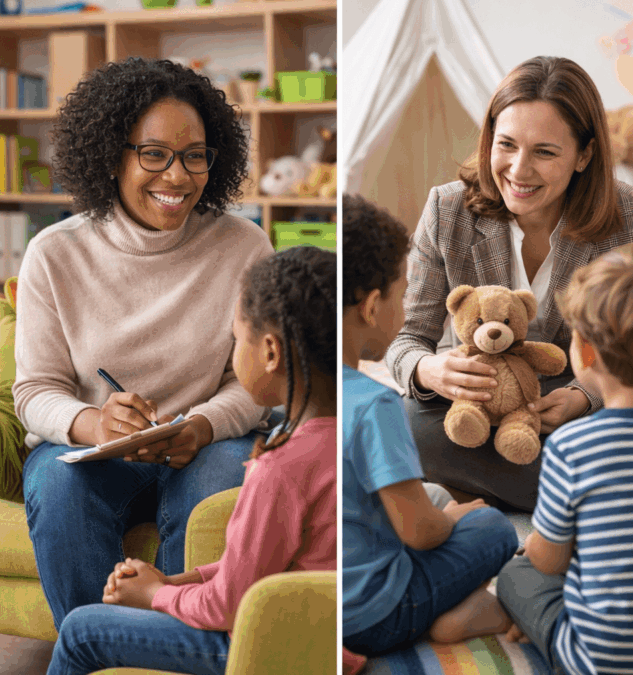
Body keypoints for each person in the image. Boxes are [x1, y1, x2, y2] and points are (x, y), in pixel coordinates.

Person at [13, 57, 276, 631]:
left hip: (208, 444)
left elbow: (259, 380)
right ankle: (99, 652)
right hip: (88, 453)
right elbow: (35, 391)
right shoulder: (55, 253)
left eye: (194, 155)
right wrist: (92, 423)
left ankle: (182, 652)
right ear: (112, 154)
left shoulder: (244, 245)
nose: (177, 177)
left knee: (221, 483)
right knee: (59, 484)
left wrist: (202, 425)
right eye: (153, 154)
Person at [385, 55, 633, 512]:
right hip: (471, 404)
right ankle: (569, 500)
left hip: (572, 411)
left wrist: (584, 396)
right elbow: (406, 336)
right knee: (407, 424)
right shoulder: (447, 209)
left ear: (584, 155)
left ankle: (492, 494)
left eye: (545, 152)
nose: (518, 170)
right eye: (506, 145)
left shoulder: (630, 215)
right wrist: (428, 370)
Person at [44, 246, 337, 675]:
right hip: (318, 630)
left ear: (270, 352)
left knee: (80, 631)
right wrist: (173, 582)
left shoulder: (280, 466)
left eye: (238, 340)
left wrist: (155, 598)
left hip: (272, 646)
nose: (235, 353)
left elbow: (230, 605)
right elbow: (259, 565)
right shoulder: (339, 436)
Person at [342, 194, 520, 656]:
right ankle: (470, 612)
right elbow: (422, 533)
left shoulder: (316, 392)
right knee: (494, 527)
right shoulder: (374, 404)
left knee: (434, 494)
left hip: (327, 597)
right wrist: (456, 518)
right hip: (377, 614)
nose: (403, 312)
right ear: (372, 305)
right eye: (401, 297)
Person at [498, 241, 633, 675]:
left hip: (594, 661)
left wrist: (533, 550)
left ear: (587, 352)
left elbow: (548, 561)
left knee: (517, 574)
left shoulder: (574, 446)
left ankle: (527, 624)